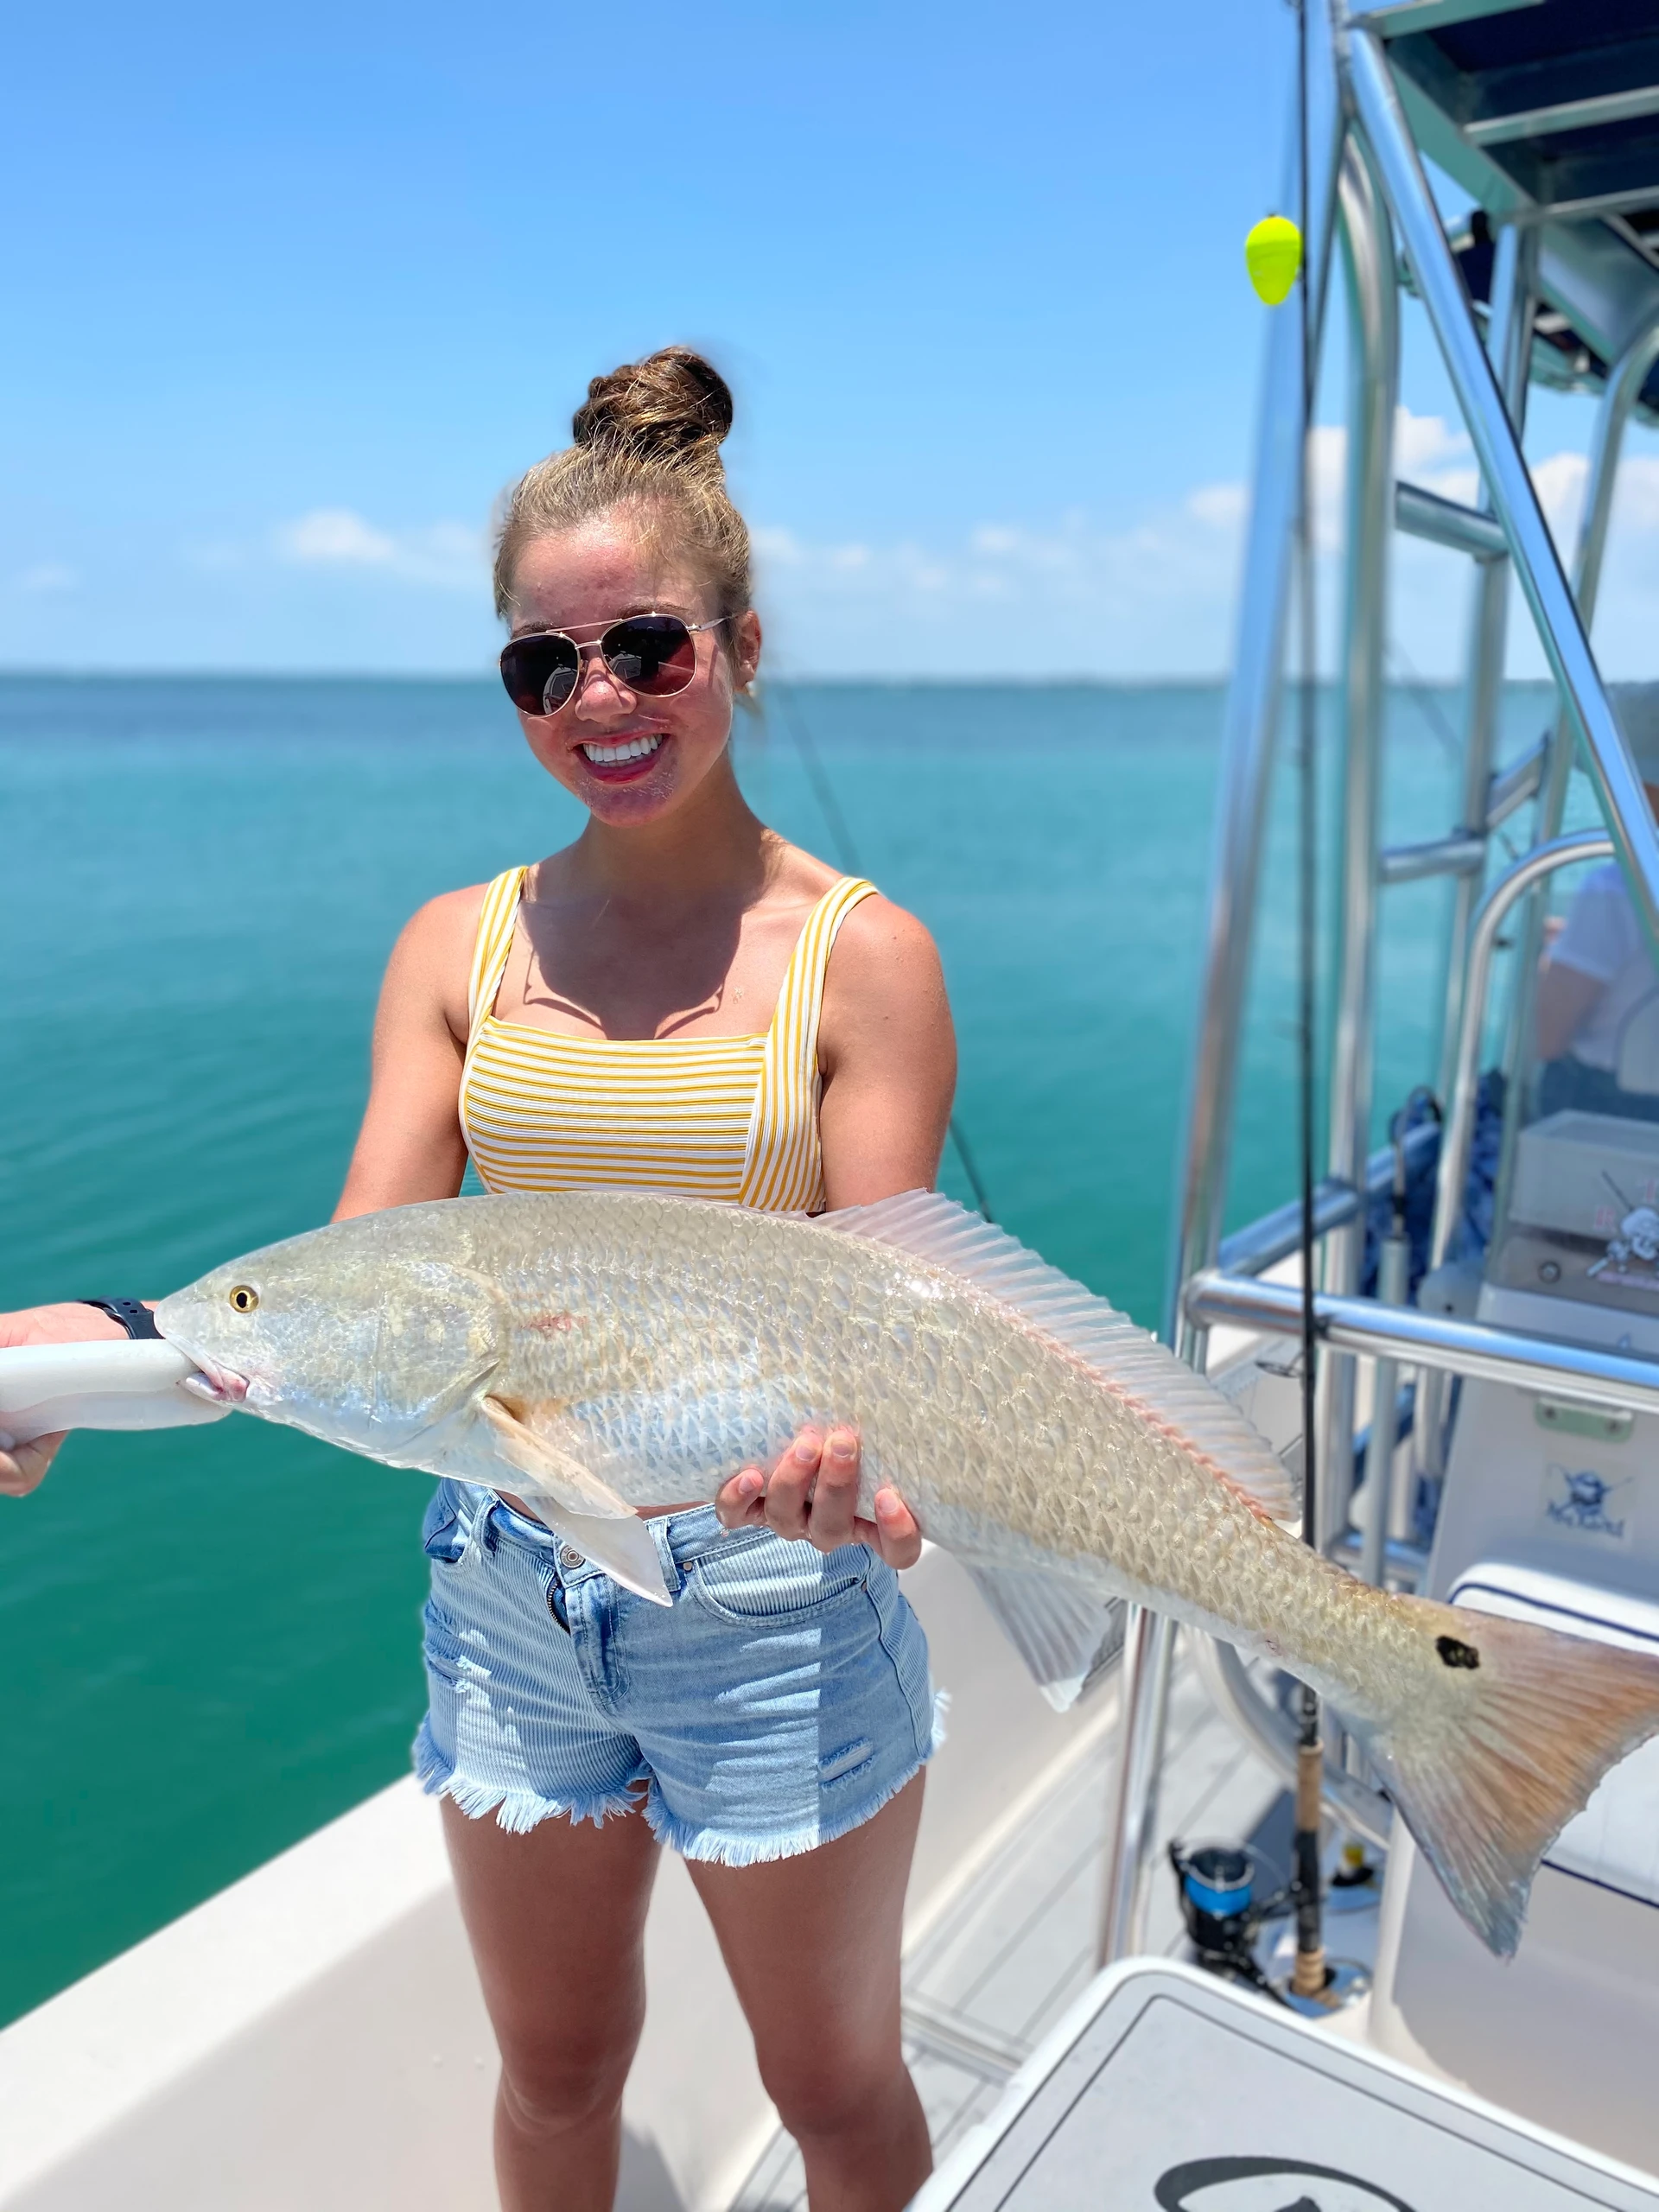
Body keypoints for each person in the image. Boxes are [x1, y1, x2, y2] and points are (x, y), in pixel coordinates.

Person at [0, 347, 957, 2212]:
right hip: (510, 1582)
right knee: (554, 2067)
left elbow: (884, 1314)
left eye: (649, 648)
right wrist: (102, 1350)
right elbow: (361, 1280)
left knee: (832, 2084)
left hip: (771, 1590)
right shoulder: (458, 942)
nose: (599, 698)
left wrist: (860, 1480)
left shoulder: (866, 958)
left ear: (742, 647)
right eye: (545, 663)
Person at [1535, 684, 1659, 1126]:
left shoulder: (1611, 891)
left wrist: (1546, 960)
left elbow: (1546, 1038)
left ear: (1640, 789)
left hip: (1610, 1112)